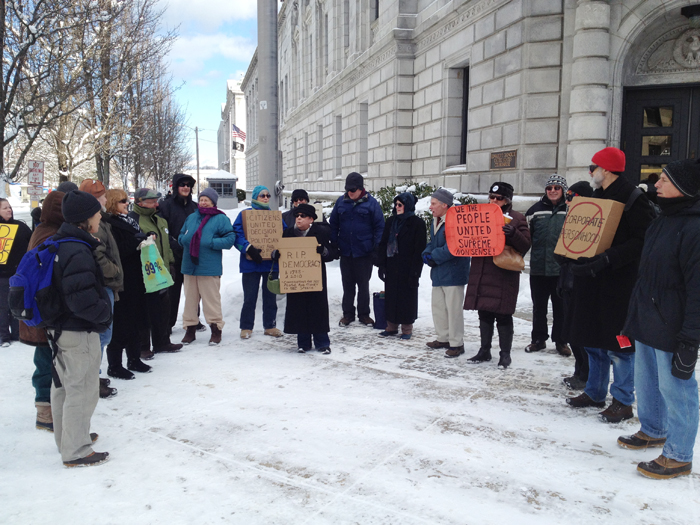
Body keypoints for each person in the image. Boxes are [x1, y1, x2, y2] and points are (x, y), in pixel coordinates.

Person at [619, 159, 700, 479]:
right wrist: (632, 316)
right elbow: (645, 277)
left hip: (673, 326)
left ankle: (679, 454)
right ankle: (653, 429)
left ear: (683, 188)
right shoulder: (661, 220)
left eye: (664, 180)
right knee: (647, 382)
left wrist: (690, 337)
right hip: (647, 318)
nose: (656, 185)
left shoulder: (694, 228)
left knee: (678, 390)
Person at [565, 147, 655, 423]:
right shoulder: (596, 195)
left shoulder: (633, 198)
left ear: (606, 169)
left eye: (594, 167)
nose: (591, 172)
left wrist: (608, 259)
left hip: (618, 283)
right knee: (593, 339)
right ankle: (594, 391)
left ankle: (623, 400)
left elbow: (642, 241)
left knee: (619, 345)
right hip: (592, 281)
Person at [50, 190, 112, 467]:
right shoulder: (77, 249)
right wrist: (104, 315)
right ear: (86, 219)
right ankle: (76, 449)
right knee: (83, 389)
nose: (100, 216)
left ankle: (68, 438)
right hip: (78, 330)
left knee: (63, 386)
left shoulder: (59, 242)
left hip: (58, 328)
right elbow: (81, 298)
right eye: (97, 213)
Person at [464, 182, 531, 369]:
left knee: (503, 315)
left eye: (499, 198)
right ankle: (484, 350)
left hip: (503, 274)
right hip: (483, 270)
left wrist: (513, 233)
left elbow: (525, 245)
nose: (494, 201)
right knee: (484, 313)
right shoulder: (481, 215)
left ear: (507, 200)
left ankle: (505, 354)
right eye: (491, 197)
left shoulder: (517, 218)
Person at [79, 180, 123, 386]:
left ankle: (94, 377)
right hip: (103, 285)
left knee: (103, 335)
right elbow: (98, 254)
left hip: (105, 285)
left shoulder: (102, 220)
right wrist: (114, 271)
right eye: (103, 196)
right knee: (101, 336)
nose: (107, 199)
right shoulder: (95, 225)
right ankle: (92, 379)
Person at [275, 203, 335, 353]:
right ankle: (303, 343)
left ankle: (322, 342)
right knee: (299, 309)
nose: (299, 219)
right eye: (297, 216)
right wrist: (276, 255)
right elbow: (280, 252)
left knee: (318, 309)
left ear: (311, 219)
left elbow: (332, 254)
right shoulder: (288, 233)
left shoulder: (320, 233)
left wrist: (324, 251)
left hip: (315, 278)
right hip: (296, 279)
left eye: (303, 216)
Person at [104, 189, 152, 380]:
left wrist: (144, 237)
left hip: (137, 277)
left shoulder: (128, 221)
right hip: (123, 279)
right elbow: (116, 252)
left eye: (127, 200)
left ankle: (134, 358)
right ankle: (114, 364)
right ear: (113, 203)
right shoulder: (110, 224)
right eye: (123, 201)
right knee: (121, 322)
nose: (127, 204)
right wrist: (136, 242)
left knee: (136, 319)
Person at [179, 188, 236, 345]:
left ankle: (216, 329)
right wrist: (182, 240)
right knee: (190, 300)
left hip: (209, 266)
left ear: (213, 202)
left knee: (211, 301)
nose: (203, 202)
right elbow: (182, 233)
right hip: (189, 265)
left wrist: (211, 243)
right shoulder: (191, 217)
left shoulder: (220, 219)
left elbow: (230, 238)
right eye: (201, 199)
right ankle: (190, 329)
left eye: (206, 200)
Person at [129, 188, 183, 355]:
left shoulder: (160, 221)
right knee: (144, 310)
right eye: (152, 201)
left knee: (163, 308)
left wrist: (171, 263)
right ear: (140, 202)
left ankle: (162, 342)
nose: (156, 204)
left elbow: (166, 244)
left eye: (156, 201)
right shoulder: (133, 220)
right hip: (144, 273)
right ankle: (143, 346)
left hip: (162, 271)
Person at [329, 172, 385, 327]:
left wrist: (376, 247)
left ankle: (364, 314)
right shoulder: (341, 202)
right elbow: (334, 224)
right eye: (348, 189)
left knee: (363, 285)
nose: (350, 192)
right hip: (346, 251)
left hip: (364, 252)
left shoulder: (371, 203)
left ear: (361, 189)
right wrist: (334, 243)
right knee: (347, 285)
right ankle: (347, 314)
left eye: (353, 190)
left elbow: (379, 226)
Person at [524, 175, 571, 356]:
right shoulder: (534, 211)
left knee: (560, 309)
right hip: (538, 268)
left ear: (563, 190)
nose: (552, 190)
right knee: (539, 308)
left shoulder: (569, 210)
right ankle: (538, 339)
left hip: (560, 269)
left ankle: (561, 341)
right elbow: (526, 238)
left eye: (556, 188)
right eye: (549, 187)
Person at [421, 189, 471, 355]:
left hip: (453, 272)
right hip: (439, 272)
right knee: (439, 307)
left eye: (433, 204)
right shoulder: (435, 220)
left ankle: (457, 343)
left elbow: (455, 245)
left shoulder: (458, 220)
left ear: (445, 205)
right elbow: (432, 242)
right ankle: (443, 337)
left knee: (453, 309)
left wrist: (433, 256)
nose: (430, 207)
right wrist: (426, 253)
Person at [232, 185, 284, 339]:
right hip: (251, 264)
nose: (266, 198)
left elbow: (284, 234)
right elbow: (236, 234)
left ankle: (270, 325)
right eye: (262, 195)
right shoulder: (244, 215)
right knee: (250, 297)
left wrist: (279, 250)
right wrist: (247, 248)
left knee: (270, 297)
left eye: (268, 195)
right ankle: (246, 327)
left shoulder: (275, 217)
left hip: (271, 264)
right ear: (255, 197)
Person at [558, 181, 595, 390]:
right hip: (567, 281)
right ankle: (579, 370)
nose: (568, 200)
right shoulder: (570, 219)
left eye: (572, 196)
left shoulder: (591, 221)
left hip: (580, 284)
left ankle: (586, 373)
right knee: (571, 332)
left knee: (581, 334)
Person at [376, 192, 426, 339]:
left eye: (400, 205)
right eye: (396, 204)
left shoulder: (417, 223)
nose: (397, 207)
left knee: (406, 298)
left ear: (408, 205)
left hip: (407, 267)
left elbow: (419, 250)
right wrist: (382, 265)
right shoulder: (391, 221)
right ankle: (391, 326)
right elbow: (384, 243)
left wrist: (415, 272)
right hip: (392, 265)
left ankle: (407, 329)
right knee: (391, 297)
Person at [158, 173, 204, 333]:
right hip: (173, 256)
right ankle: (168, 323)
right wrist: (175, 245)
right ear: (176, 187)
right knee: (173, 291)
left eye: (188, 185)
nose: (185, 187)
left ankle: (194, 320)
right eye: (182, 184)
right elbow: (162, 230)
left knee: (193, 290)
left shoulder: (195, 207)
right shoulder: (166, 206)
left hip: (191, 255)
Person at [0, 198, 32, 346]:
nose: (9, 210)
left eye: (10, 207)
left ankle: (16, 333)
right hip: (2, 275)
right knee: (3, 306)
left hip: (19, 274)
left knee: (16, 303)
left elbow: (32, 244)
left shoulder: (20, 226)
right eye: (5, 208)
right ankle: (4, 336)